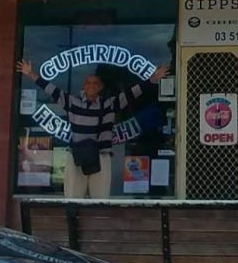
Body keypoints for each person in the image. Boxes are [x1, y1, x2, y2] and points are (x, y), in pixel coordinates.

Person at [16, 59, 169, 199]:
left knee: (100, 201)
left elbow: (132, 93)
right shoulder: (72, 102)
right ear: (84, 86)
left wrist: (153, 79)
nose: (91, 86)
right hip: (77, 157)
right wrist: (30, 74)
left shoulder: (109, 104)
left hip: (101, 157)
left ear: (101, 87)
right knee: (72, 200)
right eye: (88, 83)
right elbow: (50, 89)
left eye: (96, 83)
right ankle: (73, 228)